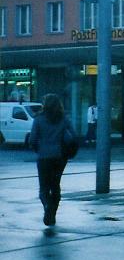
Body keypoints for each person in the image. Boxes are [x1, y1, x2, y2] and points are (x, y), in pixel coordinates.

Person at [29, 94, 75, 227]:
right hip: (59, 157)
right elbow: (72, 137)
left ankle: (47, 206)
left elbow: (32, 139)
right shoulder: (64, 119)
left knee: (44, 186)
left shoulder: (39, 119)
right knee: (55, 185)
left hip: (43, 157)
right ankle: (52, 212)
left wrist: (39, 148)